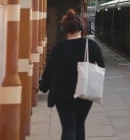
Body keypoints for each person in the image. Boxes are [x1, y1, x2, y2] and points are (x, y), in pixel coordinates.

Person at [39, 9, 105, 140]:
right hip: (85, 92)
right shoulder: (91, 45)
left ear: (64, 30)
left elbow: (49, 71)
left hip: (62, 94)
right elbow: (102, 66)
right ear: (81, 28)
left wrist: (44, 86)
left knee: (68, 127)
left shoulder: (59, 48)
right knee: (80, 125)